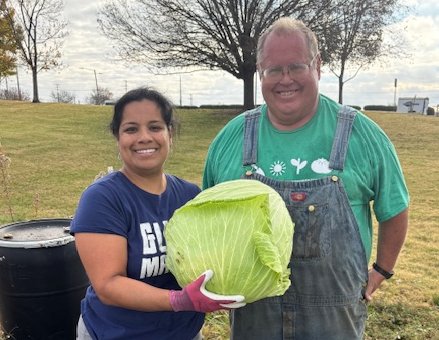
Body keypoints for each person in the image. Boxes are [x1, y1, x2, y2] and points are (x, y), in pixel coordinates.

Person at [203, 17, 409, 340]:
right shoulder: (232, 139)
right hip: (254, 318)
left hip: (334, 322)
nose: (285, 79)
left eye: (296, 67)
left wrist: (381, 270)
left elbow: (394, 208)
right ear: (260, 72)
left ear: (318, 66)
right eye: (274, 70)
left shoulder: (361, 135)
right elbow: (210, 219)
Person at [70, 87, 245, 340]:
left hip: (184, 333)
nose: (144, 137)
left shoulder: (189, 195)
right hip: (116, 334)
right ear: (117, 137)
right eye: (131, 129)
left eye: (155, 127)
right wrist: (179, 299)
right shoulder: (103, 198)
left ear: (169, 134)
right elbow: (108, 285)